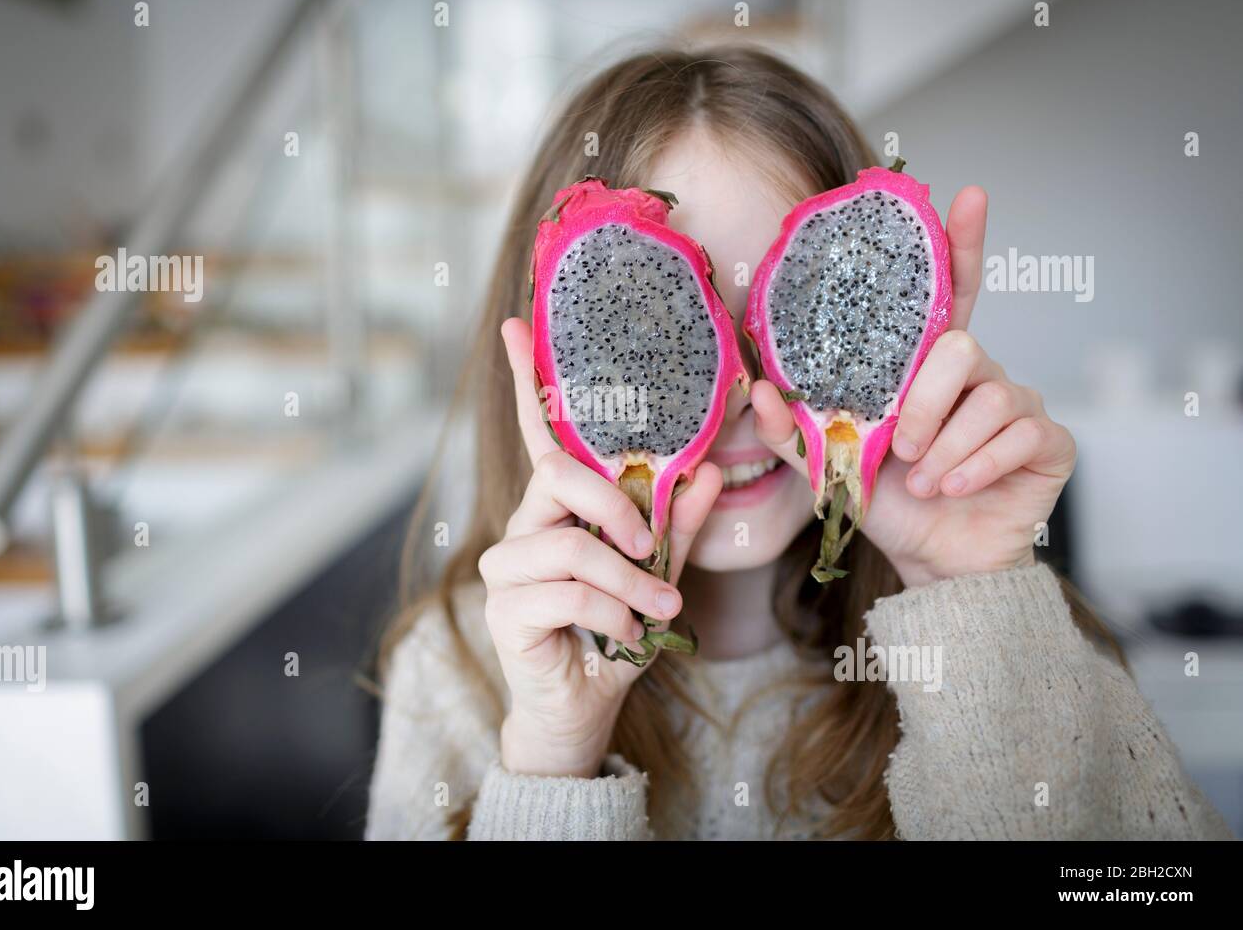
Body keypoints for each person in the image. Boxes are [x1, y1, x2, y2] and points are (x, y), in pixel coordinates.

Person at [365, 46, 1232, 840]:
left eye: (802, 317)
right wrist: (553, 754)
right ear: (550, 354)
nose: (740, 401)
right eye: (652, 327)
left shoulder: (1018, 646)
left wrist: (969, 599)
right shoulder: (456, 671)